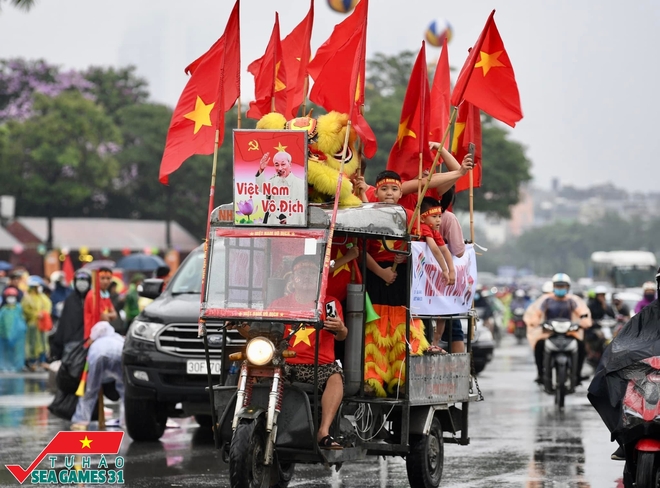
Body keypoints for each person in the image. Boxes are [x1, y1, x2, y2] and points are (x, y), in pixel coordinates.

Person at [233, 255, 347, 449]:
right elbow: (259, 333)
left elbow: (342, 336)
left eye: (312, 272)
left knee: (335, 377)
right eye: (301, 271)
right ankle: (238, 421)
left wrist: (340, 328)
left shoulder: (330, 303)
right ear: (292, 277)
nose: (306, 276)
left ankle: (323, 431)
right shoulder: (279, 304)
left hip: (319, 365)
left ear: (320, 278)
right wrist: (238, 326)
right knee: (248, 367)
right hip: (283, 363)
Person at [363, 171, 429, 397]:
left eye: (393, 189)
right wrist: (381, 273)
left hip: (402, 279)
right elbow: (360, 251)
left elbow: (423, 249)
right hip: (376, 278)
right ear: (376, 192)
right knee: (376, 330)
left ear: (401, 193)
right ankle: (374, 379)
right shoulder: (366, 215)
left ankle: (400, 378)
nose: (389, 193)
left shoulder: (410, 216)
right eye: (384, 189)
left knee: (401, 330)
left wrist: (407, 253)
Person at [524, 273, 592, 384]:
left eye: (563, 286)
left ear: (568, 287)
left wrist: (584, 321)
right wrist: (534, 321)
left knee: (581, 346)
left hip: (569, 332)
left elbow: (582, 313)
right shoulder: (547, 301)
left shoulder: (571, 301)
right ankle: (540, 374)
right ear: (553, 287)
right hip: (550, 332)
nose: (560, 288)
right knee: (539, 346)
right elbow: (537, 313)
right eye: (558, 286)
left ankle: (577, 375)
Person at [355, 146, 474, 207]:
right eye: (424, 169)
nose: (428, 172)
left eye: (429, 169)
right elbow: (423, 182)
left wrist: (440, 148)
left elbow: (456, 173)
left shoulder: (431, 192)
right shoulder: (400, 184)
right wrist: (459, 172)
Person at [414, 197, 455, 352]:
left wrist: (452, 271)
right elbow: (434, 249)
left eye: (440, 216)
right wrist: (444, 270)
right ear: (423, 217)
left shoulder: (434, 231)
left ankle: (435, 341)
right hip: (419, 281)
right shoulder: (423, 228)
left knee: (440, 311)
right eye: (434, 216)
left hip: (428, 282)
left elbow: (444, 249)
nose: (439, 220)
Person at [70, 321, 125, 431]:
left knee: (91, 390)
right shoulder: (118, 338)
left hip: (98, 357)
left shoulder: (96, 344)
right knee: (124, 390)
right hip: (120, 356)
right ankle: (126, 420)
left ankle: (81, 421)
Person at [256, 150, 306, 225]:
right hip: (274, 227)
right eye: (276, 165)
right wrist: (261, 170)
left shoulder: (301, 184)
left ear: (290, 165)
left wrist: (288, 221)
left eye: (283, 164)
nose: (280, 168)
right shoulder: (273, 182)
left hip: (293, 228)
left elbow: (302, 212)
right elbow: (261, 188)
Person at [50, 271, 91, 360]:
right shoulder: (70, 300)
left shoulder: (93, 298)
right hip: (71, 343)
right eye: (80, 280)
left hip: (89, 342)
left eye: (85, 280)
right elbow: (64, 322)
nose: (82, 283)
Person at [21, 276, 53, 370]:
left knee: (43, 343)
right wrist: (35, 314)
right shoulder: (27, 298)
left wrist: (44, 314)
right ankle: (32, 362)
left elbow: (48, 306)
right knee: (32, 343)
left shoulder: (43, 297)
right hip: (32, 325)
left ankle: (42, 361)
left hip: (43, 325)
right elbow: (25, 310)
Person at [83, 267, 117, 340]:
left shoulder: (106, 295)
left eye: (108, 278)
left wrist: (107, 315)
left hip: (103, 336)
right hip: (92, 337)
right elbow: (104, 318)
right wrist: (108, 315)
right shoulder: (93, 296)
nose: (105, 281)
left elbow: (115, 315)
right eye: (102, 278)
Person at [0, 287, 27, 371]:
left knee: (18, 352)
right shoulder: (3, 310)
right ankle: (5, 366)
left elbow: (22, 321)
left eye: (13, 296)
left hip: (18, 336)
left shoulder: (19, 309)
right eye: (9, 296)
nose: (11, 298)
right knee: (6, 352)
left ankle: (17, 366)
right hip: (4, 336)